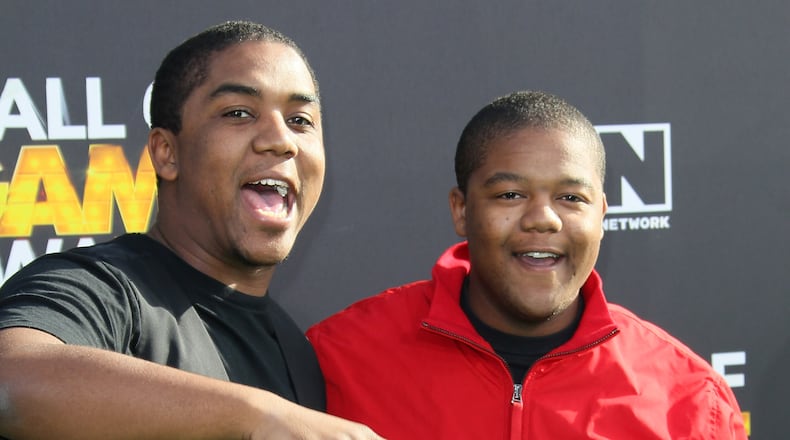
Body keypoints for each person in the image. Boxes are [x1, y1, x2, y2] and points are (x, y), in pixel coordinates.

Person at [0, 21, 382, 440]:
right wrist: (257, 415)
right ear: (166, 153)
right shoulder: (102, 288)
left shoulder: (295, 350)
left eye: (300, 120)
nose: (281, 140)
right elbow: (10, 385)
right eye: (239, 113)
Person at [307, 90, 747, 439]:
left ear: (602, 217)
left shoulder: (689, 399)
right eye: (510, 195)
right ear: (461, 210)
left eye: (571, 198)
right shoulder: (335, 360)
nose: (543, 218)